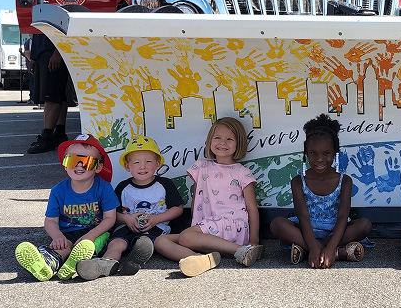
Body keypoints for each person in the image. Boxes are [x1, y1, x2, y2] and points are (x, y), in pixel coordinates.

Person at [157, 117, 263, 277]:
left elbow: (252, 208)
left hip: (232, 226)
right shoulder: (201, 167)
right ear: (210, 140)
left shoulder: (242, 172)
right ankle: (202, 259)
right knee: (160, 241)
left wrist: (254, 239)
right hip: (207, 228)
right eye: (218, 138)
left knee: (186, 236)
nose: (223, 143)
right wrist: (196, 226)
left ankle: (242, 250)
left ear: (239, 143)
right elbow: (196, 200)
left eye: (229, 139)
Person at [270, 114, 372, 267]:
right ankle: (336, 253)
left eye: (326, 153)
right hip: (306, 230)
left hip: (336, 231)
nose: (319, 159)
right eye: (313, 153)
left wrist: (329, 246)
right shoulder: (298, 182)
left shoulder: (345, 181)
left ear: (334, 153)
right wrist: (313, 244)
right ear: (306, 153)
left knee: (365, 225)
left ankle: (315, 251)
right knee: (277, 224)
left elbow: (343, 217)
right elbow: (303, 217)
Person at [76, 136, 184, 280]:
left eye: (148, 162)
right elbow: (113, 214)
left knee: (146, 242)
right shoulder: (123, 187)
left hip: (155, 227)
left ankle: (135, 260)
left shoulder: (165, 184)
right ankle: (105, 264)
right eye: (136, 163)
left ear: (157, 164)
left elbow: (178, 208)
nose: (142, 166)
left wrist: (157, 218)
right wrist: (126, 218)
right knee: (116, 243)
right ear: (127, 166)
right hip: (127, 226)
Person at [15, 134, 119, 281]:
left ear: (98, 167)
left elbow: (110, 218)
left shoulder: (104, 188)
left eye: (86, 162)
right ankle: (47, 264)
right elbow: (50, 220)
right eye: (73, 160)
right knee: (62, 246)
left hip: (96, 231)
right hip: (68, 233)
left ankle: (76, 261)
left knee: (91, 244)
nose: (79, 165)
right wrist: (57, 236)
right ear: (65, 164)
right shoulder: (58, 191)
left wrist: (91, 235)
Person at [26, 33, 72, 153]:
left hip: (52, 53)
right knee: (58, 95)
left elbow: (63, 28)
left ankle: (47, 136)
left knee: (51, 96)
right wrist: (34, 58)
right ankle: (60, 132)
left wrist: (58, 52)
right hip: (42, 54)